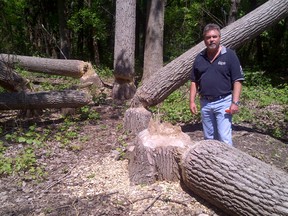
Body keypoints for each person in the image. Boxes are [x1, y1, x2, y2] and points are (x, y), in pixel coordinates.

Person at [189, 23, 244, 146]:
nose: (211, 40)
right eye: (208, 37)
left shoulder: (230, 55)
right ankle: (210, 164)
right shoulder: (199, 58)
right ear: (204, 40)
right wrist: (192, 101)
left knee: (224, 138)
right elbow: (194, 81)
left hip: (223, 102)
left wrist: (235, 102)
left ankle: (228, 164)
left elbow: (238, 80)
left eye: (214, 36)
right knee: (209, 138)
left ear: (219, 38)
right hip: (205, 103)